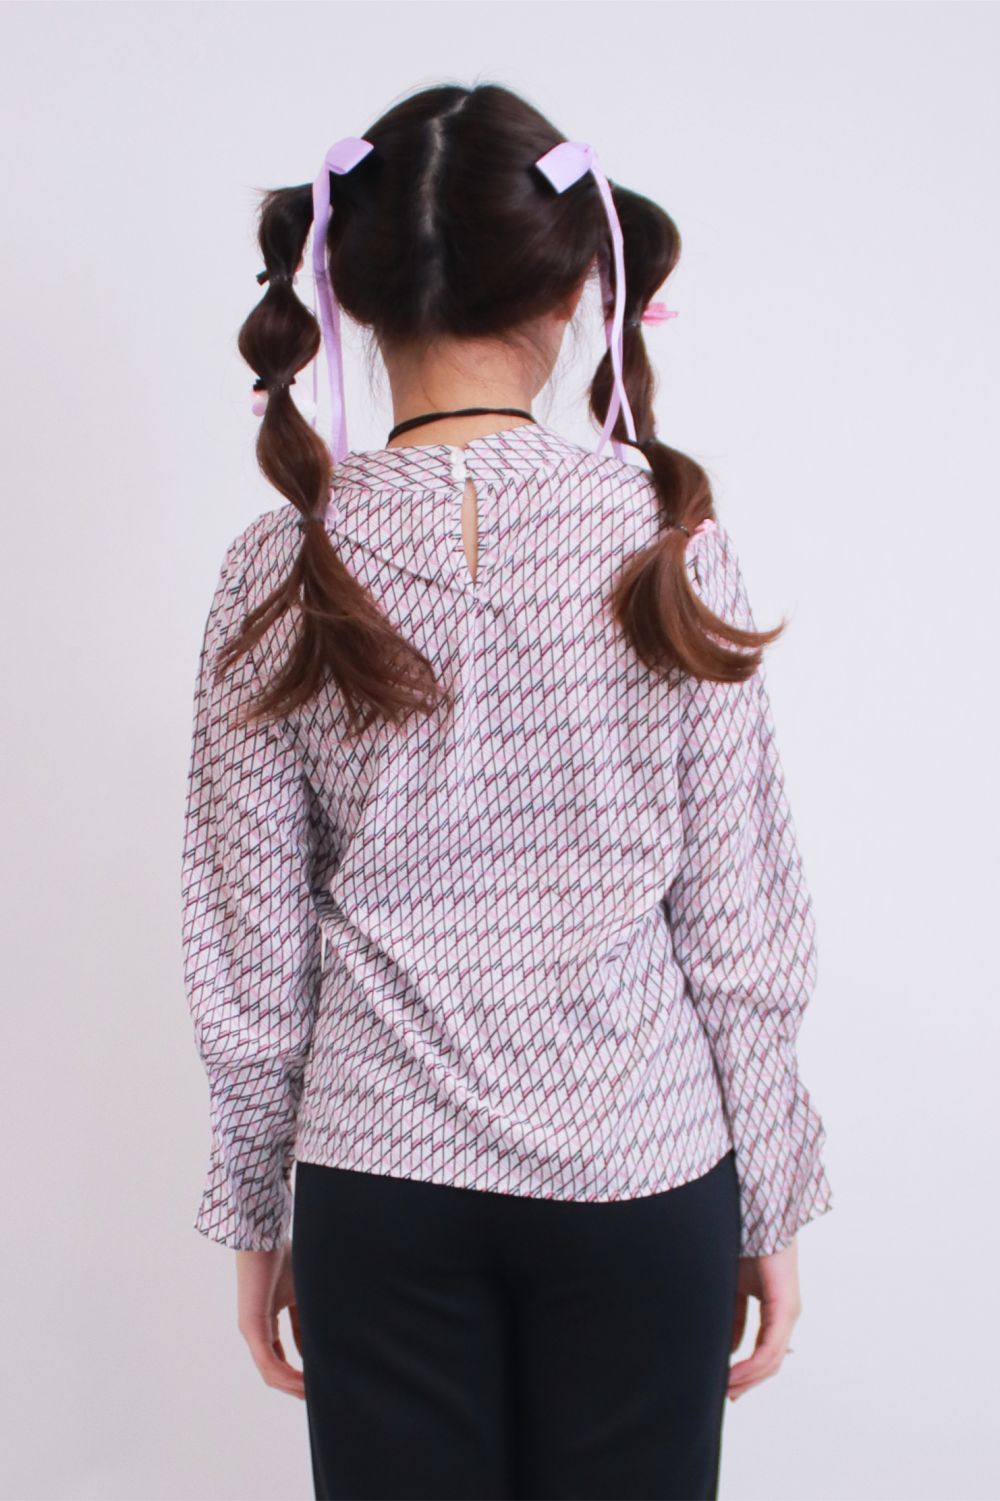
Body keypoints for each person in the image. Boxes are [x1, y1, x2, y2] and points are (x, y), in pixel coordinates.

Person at [181, 80, 833, 1501]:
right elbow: (740, 926)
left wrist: (256, 1211)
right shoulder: (664, 537)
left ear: (351, 295)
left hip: (378, 1178)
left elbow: (249, 954)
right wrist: (770, 1196)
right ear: (576, 286)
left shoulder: (277, 565)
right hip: (642, 1168)